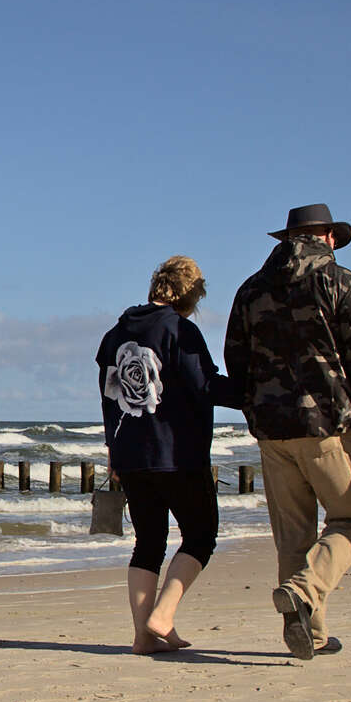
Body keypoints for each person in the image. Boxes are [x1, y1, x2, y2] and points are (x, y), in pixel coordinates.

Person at [224, 204, 351, 660]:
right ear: (325, 236)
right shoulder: (343, 283)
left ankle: (314, 632)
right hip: (330, 425)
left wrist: (255, 410)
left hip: (272, 431)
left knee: (294, 538)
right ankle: (305, 590)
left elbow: (236, 360)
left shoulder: (250, 290)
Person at [97, 255, 236, 654]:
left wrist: (112, 451)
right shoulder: (180, 329)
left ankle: (144, 636)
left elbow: (109, 399)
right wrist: (256, 394)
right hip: (178, 455)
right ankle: (163, 615)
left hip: (130, 456)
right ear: (191, 293)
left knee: (148, 542)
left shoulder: (112, 336)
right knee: (201, 534)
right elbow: (205, 386)